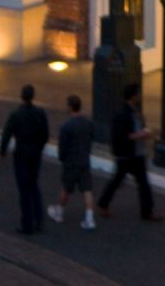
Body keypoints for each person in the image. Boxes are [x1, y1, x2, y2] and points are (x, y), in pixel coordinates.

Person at [97, 93, 158, 225]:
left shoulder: (136, 112)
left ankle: (147, 211)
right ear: (132, 96)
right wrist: (141, 134)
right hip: (127, 155)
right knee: (118, 181)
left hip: (137, 154)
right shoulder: (122, 114)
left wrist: (143, 132)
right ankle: (103, 204)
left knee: (142, 183)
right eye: (137, 93)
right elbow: (123, 136)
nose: (140, 96)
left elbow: (139, 126)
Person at [3, 83, 51, 234]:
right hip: (35, 153)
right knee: (34, 185)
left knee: (24, 189)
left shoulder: (16, 114)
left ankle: (27, 223)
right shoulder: (40, 113)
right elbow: (45, 134)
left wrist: (3, 150)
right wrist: (39, 147)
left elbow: (7, 133)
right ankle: (39, 219)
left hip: (21, 154)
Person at [55, 99, 99, 231]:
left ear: (70, 107)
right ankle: (89, 218)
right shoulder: (88, 123)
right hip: (84, 161)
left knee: (66, 188)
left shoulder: (66, 126)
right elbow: (91, 138)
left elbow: (62, 147)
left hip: (71, 162)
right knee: (87, 190)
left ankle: (59, 212)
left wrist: (62, 158)